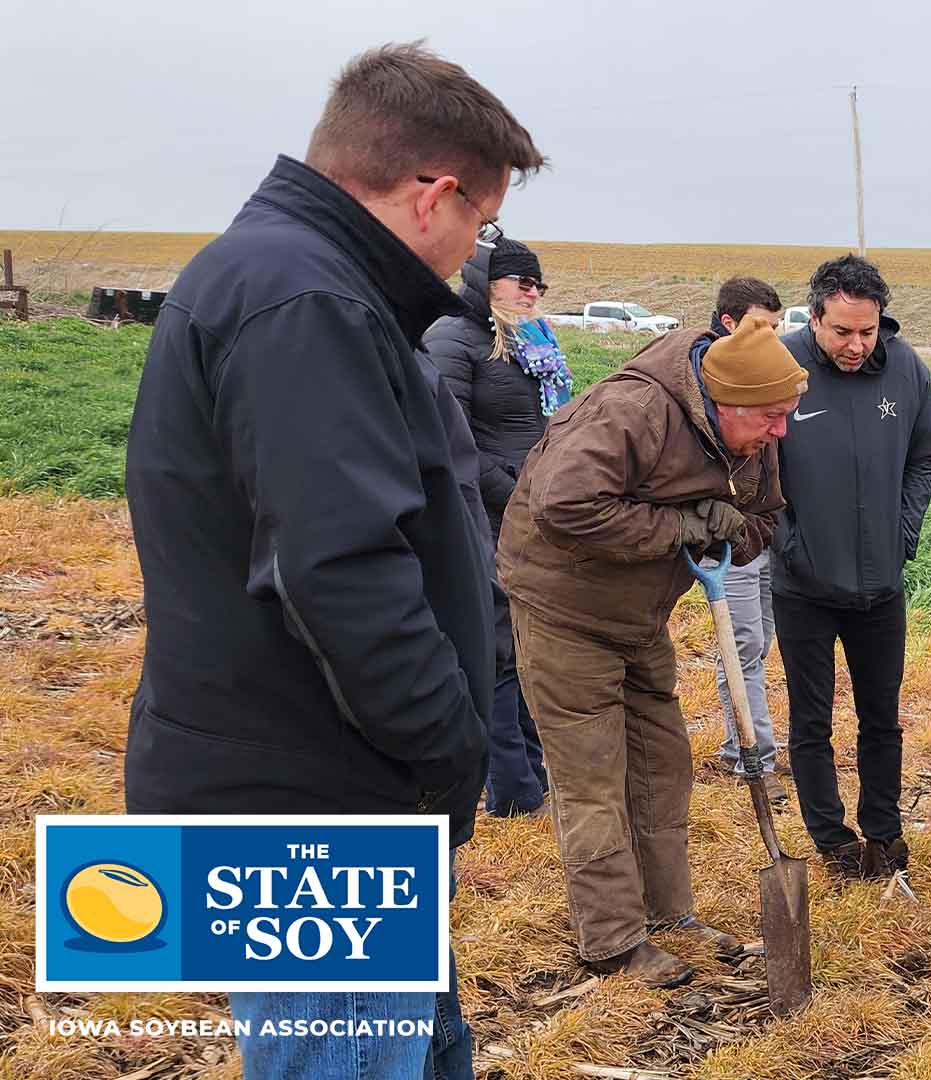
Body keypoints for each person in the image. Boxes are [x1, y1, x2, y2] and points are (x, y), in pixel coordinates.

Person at [123, 43, 545, 1080]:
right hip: (319, 801)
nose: (474, 253)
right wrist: (446, 744)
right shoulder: (307, 303)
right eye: (480, 223)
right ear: (429, 194)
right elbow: (340, 569)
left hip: (322, 780)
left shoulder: (289, 278)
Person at [496, 315, 806, 987]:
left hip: (640, 615)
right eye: (770, 418)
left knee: (662, 764)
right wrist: (680, 525)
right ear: (724, 405)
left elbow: (764, 520)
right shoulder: (630, 411)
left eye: (788, 416)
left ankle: (667, 914)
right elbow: (563, 504)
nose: (781, 431)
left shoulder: (756, 430)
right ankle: (610, 940)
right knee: (592, 777)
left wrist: (729, 525)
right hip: (563, 609)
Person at [772, 255, 931, 880]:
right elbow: (754, 470)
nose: (856, 344)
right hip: (804, 588)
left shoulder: (905, 369)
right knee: (811, 718)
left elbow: (925, 457)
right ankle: (831, 839)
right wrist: (789, 544)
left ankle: (883, 831)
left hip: (881, 586)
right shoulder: (780, 366)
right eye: (842, 331)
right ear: (814, 316)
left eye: (867, 331)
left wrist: (904, 531)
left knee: (881, 714)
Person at [424, 234, 569, 817]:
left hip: (533, 514)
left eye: (537, 282)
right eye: (520, 280)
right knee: (496, 648)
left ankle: (533, 775)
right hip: (482, 516)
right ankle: (510, 788)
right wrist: (516, 494)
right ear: (485, 281)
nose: (532, 290)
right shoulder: (451, 339)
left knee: (533, 641)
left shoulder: (530, 341)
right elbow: (447, 438)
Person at [703, 277, 790, 787]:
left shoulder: (769, 374)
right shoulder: (714, 382)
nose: (771, 337)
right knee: (741, 643)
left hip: (762, 529)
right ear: (730, 323)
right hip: (728, 538)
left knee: (759, 642)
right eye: (762, 325)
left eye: (777, 327)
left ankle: (742, 741)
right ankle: (752, 759)